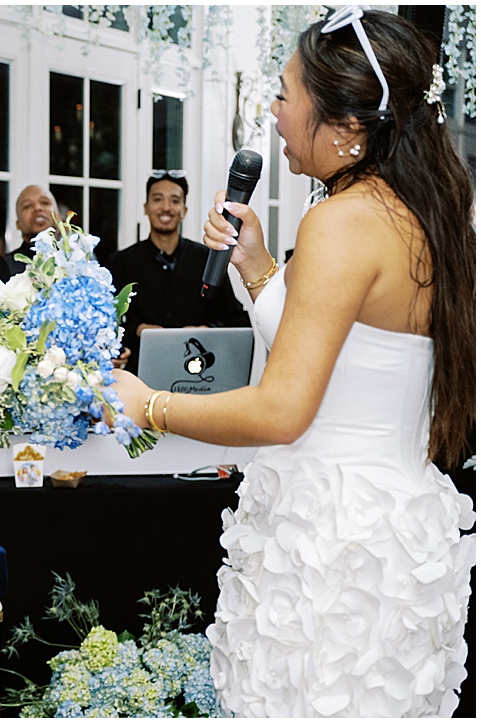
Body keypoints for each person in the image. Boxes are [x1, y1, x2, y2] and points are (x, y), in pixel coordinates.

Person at [110, 8, 475, 716]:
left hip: (334, 547)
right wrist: (260, 267)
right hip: (386, 533)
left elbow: (284, 408)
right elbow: (359, 355)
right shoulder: (409, 211)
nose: (273, 112)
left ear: (344, 123)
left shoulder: (341, 222)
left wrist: (147, 404)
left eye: (284, 93)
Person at [107, 172, 250, 374]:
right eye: (157, 199)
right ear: (145, 208)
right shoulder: (121, 262)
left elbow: (238, 322)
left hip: (196, 375)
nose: (166, 207)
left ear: (184, 210)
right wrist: (137, 330)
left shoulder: (208, 260)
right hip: (138, 375)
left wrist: (206, 330)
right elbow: (105, 324)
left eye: (174, 201)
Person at [0, 184, 59, 284]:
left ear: (59, 217)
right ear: (17, 224)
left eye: (44, 202)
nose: (37, 208)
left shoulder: (75, 264)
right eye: (27, 206)